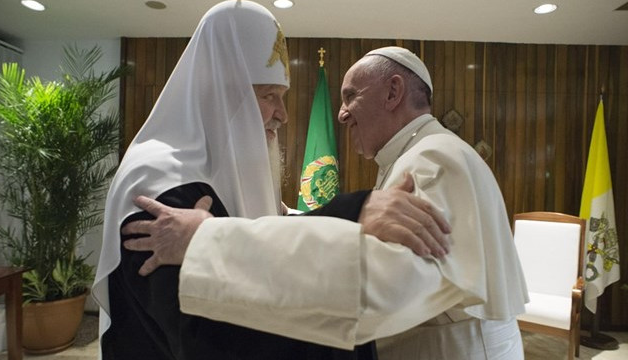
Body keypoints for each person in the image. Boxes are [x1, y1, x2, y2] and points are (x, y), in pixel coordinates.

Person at [92, 1, 451, 359]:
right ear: (222, 92)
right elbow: (213, 339)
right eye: (269, 96)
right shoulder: (159, 185)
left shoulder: (207, 175)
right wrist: (350, 213)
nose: (282, 115)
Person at [124, 46, 530, 359]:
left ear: (393, 92)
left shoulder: (432, 159)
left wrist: (207, 239)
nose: (341, 114)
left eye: (351, 95)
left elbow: (380, 283)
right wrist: (293, 218)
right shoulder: (422, 152)